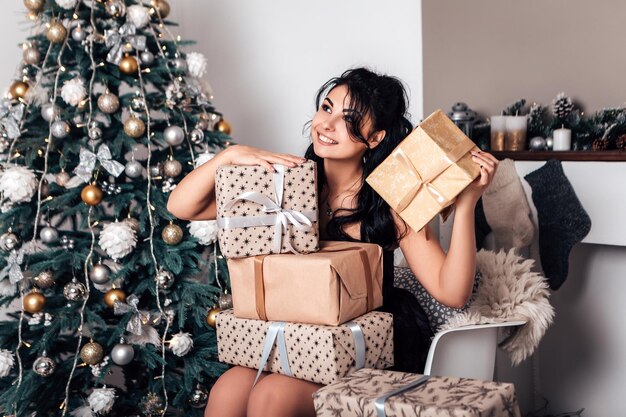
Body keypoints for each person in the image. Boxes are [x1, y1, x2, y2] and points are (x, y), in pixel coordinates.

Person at [166, 67, 499, 417]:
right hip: (294, 335)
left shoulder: (391, 201)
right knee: (227, 392)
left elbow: (452, 291)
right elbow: (182, 206)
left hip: (362, 343)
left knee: (271, 398)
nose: (328, 124)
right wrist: (229, 155)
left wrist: (467, 204)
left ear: (374, 138)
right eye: (327, 108)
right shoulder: (285, 186)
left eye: (349, 118)